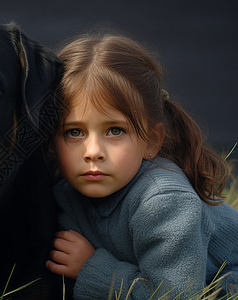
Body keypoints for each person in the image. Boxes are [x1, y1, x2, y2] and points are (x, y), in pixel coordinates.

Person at [45, 34, 238, 299]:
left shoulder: (164, 203)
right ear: (51, 142)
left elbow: (176, 296)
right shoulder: (62, 193)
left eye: (114, 130)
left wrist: (91, 268)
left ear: (151, 141)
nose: (93, 153)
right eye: (74, 132)